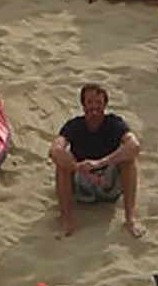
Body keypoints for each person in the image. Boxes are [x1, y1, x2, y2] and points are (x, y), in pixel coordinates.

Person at [49, 83, 144, 238]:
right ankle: (66, 221)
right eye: (90, 102)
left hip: (108, 181)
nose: (94, 107)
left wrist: (101, 163)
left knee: (129, 161)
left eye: (98, 102)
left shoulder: (114, 123)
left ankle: (130, 218)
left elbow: (134, 146)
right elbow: (55, 150)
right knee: (62, 166)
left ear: (105, 105)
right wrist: (78, 167)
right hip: (83, 183)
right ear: (83, 105)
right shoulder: (74, 125)